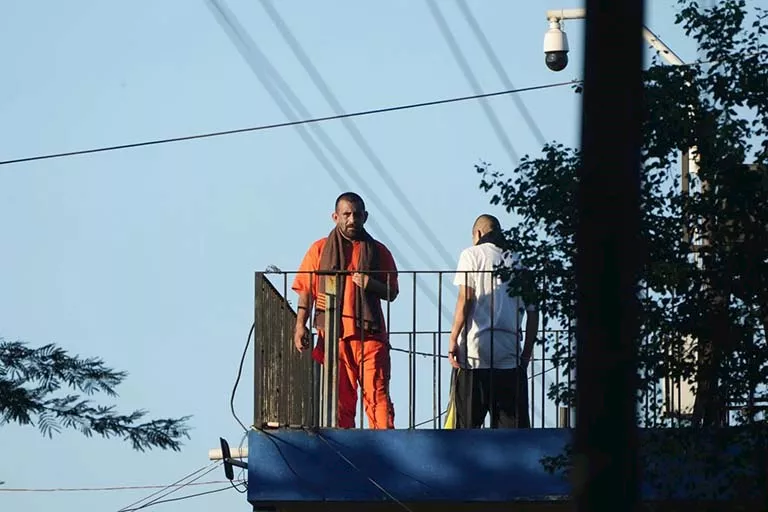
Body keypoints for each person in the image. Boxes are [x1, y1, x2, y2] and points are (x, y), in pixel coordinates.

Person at [292, 192, 399, 429]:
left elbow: (392, 291)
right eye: (347, 214)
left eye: (357, 215)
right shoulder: (319, 249)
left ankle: (385, 441)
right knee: (339, 402)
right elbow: (306, 290)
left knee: (377, 396)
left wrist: (370, 284)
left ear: (365, 217)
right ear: (335, 217)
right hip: (334, 338)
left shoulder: (378, 251)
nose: (352, 220)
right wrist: (300, 325)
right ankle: (344, 444)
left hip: (371, 337)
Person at [448, 214, 539, 428]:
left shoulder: (471, 255)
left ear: (478, 233)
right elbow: (533, 313)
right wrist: (526, 354)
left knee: (466, 431)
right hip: (510, 356)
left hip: (474, 356)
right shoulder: (520, 261)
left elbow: (465, 299)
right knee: (513, 434)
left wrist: (453, 338)